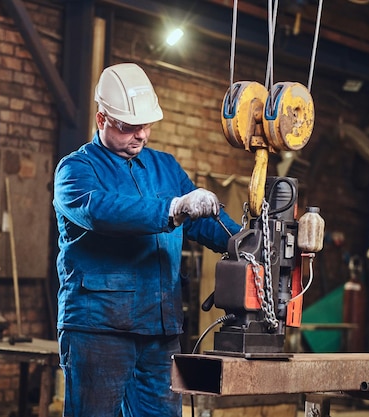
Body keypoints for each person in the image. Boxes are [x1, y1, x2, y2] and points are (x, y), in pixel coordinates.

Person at [53, 62, 241, 417]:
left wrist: (243, 242)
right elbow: (101, 211)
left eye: (146, 127)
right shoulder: (76, 170)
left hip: (159, 328)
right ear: (101, 119)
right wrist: (172, 208)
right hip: (99, 330)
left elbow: (202, 223)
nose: (139, 136)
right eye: (129, 127)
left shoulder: (164, 166)